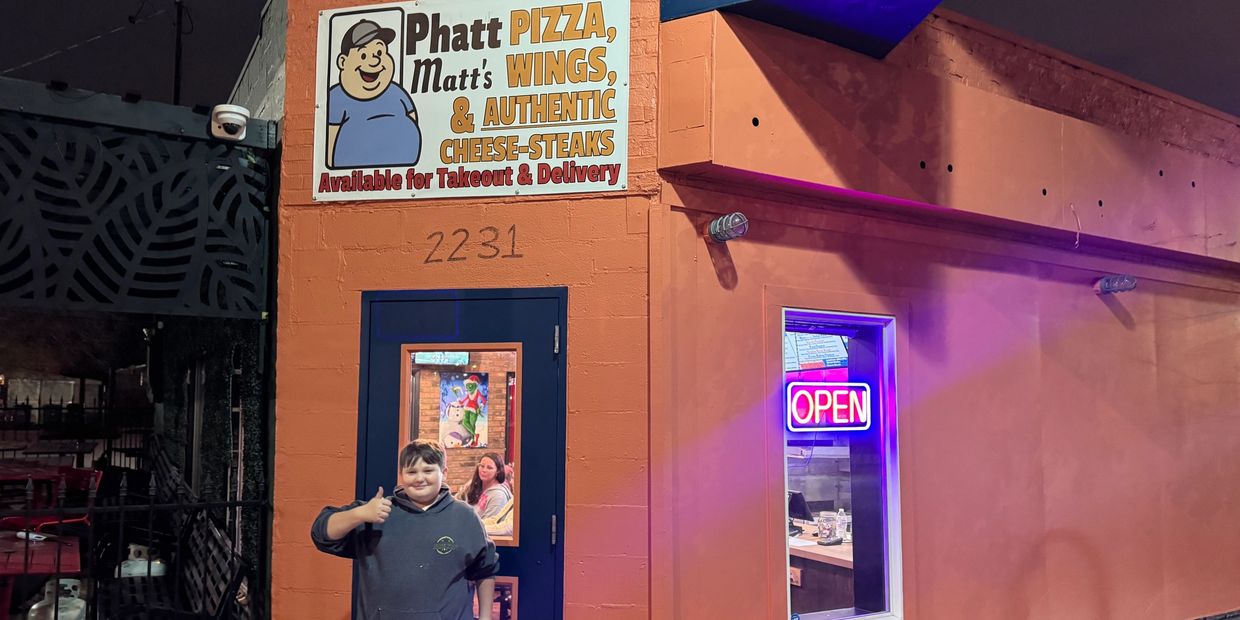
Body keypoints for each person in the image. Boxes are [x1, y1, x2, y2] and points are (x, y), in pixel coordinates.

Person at [311, 440, 499, 620]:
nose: (419, 478)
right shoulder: (377, 512)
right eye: (411, 472)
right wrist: (359, 514)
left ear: (444, 473)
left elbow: (485, 570)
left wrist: (485, 617)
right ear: (401, 475)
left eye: (428, 470)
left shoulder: (465, 517)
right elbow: (322, 534)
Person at [326, 19, 422, 168]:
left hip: (404, 174)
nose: (374, 61)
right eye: (363, 55)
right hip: (355, 180)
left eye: (379, 52)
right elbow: (330, 138)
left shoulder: (395, 92)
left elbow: (412, 117)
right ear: (343, 62)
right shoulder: (337, 97)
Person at [462, 453, 513, 521]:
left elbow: (489, 525)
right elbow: (456, 504)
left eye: (489, 468)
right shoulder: (473, 484)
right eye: (482, 466)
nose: (484, 470)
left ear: (497, 471)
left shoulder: (498, 495)